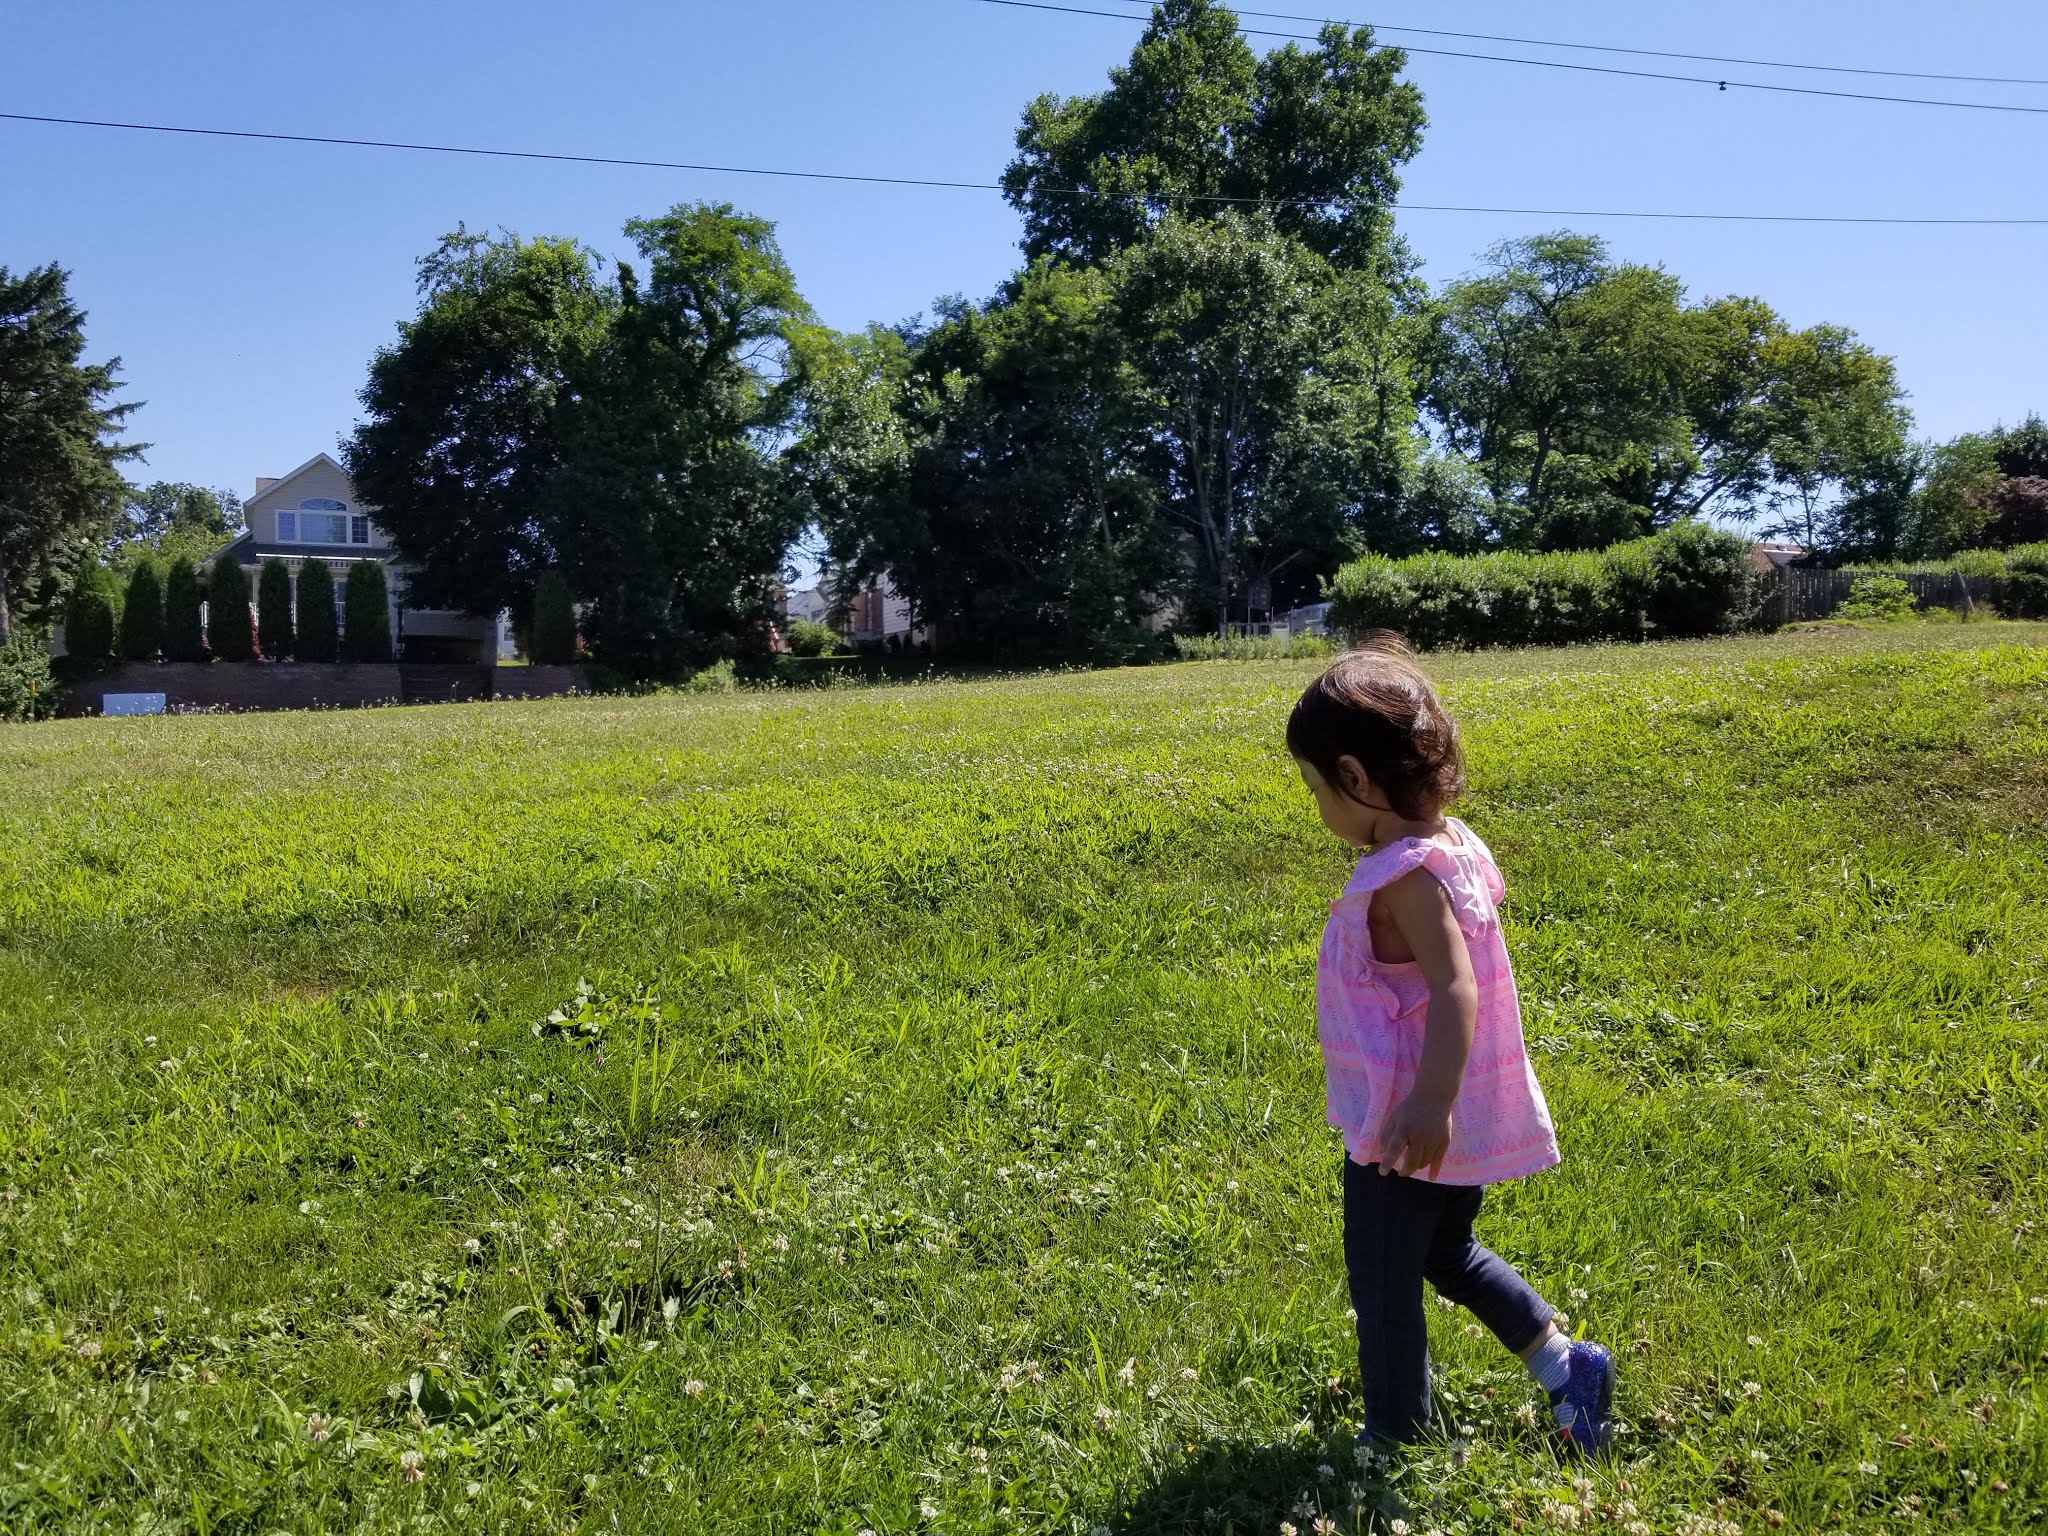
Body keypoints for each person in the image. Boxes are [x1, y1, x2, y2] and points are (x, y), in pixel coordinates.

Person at [1288, 640, 1614, 1451]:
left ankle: (1394, 1436)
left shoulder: (1402, 874)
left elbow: (1457, 986)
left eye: (1317, 788)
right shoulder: (1453, 845)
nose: (1320, 807)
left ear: (1357, 778)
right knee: (1444, 1249)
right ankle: (1564, 1364)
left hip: (1406, 1123)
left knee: (1384, 1278)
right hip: (1446, 1114)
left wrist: (1427, 1103)